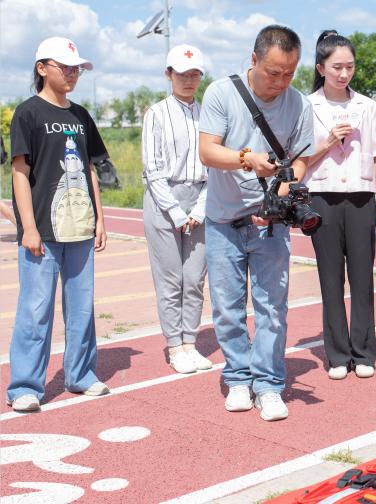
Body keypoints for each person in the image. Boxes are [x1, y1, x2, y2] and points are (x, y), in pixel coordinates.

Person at [198, 25, 314, 421]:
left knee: (271, 308)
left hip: (271, 223)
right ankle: (236, 376)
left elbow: (301, 159)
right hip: (223, 220)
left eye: (289, 73)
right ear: (253, 60)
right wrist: (248, 159)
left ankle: (267, 383)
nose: (280, 81)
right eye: (273, 72)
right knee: (228, 309)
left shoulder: (298, 103)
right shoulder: (220, 93)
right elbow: (208, 152)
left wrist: (282, 194)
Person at [6, 37, 110, 412]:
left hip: (80, 227)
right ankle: (24, 387)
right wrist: (28, 227)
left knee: (82, 307)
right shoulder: (28, 113)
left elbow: (91, 169)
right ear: (41, 68)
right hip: (43, 231)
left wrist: (100, 218)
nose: (72, 73)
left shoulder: (81, 116)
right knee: (36, 308)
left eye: (76, 67)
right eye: (64, 66)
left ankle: (80, 374)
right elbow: (20, 173)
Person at [305, 31, 376, 380]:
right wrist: (327, 142)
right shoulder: (307, 106)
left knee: (361, 278)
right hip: (321, 198)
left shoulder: (366, 106)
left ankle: (364, 351)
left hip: (361, 198)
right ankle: (337, 354)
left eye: (349, 66)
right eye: (336, 67)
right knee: (330, 278)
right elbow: (298, 158)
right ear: (321, 67)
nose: (343, 73)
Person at [141, 44, 212, 374]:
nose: (188, 80)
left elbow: (214, 164)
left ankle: (190, 342)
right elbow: (152, 169)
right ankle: (175, 346)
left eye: (195, 74)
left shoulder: (208, 113)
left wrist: (199, 208)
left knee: (194, 277)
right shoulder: (156, 113)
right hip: (163, 201)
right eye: (181, 74)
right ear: (168, 74)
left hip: (199, 199)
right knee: (170, 279)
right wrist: (177, 212)